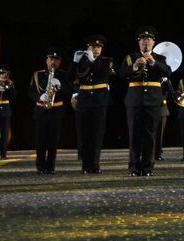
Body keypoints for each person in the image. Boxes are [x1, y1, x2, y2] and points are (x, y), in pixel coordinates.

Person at [116, 26, 171, 176]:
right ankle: (134, 167)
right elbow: (120, 74)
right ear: (138, 42)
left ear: (153, 42)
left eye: (149, 40)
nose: (145, 42)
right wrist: (134, 66)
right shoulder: (130, 58)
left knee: (150, 135)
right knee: (134, 134)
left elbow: (167, 72)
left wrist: (153, 62)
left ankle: (147, 167)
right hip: (134, 99)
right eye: (143, 40)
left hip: (153, 100)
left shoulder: (160, 58)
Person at [71, 35, 113, 174]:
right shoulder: (81, 61)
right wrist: (75, 62)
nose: (96, 49)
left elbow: (102, 72)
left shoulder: (107, 61)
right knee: (84, 133)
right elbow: (69, 78)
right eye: (93, 47)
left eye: (98, 47)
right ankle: (85, 165)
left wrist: (91, 60)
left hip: (99, 101)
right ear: (88, 47)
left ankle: (94, 164)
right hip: (84, 100)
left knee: (97, 133)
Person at [30, 50, 68, 173]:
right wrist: (39, 97)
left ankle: (50, 167)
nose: (53, 62)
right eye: (51, 59)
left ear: (60, 62)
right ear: (46, 60)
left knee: (53, 141)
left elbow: (70, 91)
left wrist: (60, 86)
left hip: (56, 110)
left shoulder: (64, 75)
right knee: (40, 141)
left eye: (56, 60)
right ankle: (40, 167)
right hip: (41, 110)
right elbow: (30, 92)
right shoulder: (38, 74)